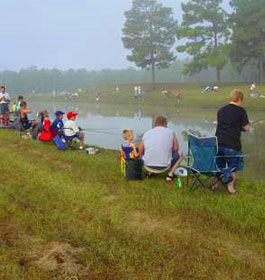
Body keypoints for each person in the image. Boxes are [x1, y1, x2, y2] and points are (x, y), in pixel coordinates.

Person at [215, 89, 250, 194]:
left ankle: (216, 184)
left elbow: (225, 125)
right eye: (242, 100)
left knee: (219, 165)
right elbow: (246, 128)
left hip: (218, 142)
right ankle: (230, 187)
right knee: (233, 167)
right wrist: (248, 128)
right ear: (239, 99)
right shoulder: (241, 111)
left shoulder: (221, 110)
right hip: (232, 144)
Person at [139, 116, 183, 181]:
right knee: (181, 154)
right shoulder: (171, 132)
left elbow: (140, 150)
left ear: (155, 123)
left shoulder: (147, 133)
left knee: (144, 153)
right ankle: (170, 174)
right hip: (164, 167)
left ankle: (150, 172)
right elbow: (176, 149)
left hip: (147, 166)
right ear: (165, 124)